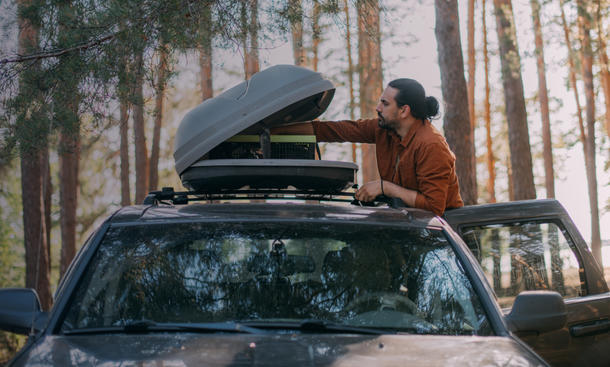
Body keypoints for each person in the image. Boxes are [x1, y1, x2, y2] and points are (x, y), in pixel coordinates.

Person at [275, 78, 463, 216]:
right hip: (408, 223)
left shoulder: (431, 145)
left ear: (404, 110)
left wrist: (386, 188)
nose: (378, 108)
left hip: (443, 233)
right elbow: (337, 130)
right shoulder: (384, 129)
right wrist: (271, 130)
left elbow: (434, 207)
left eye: (385, 103)